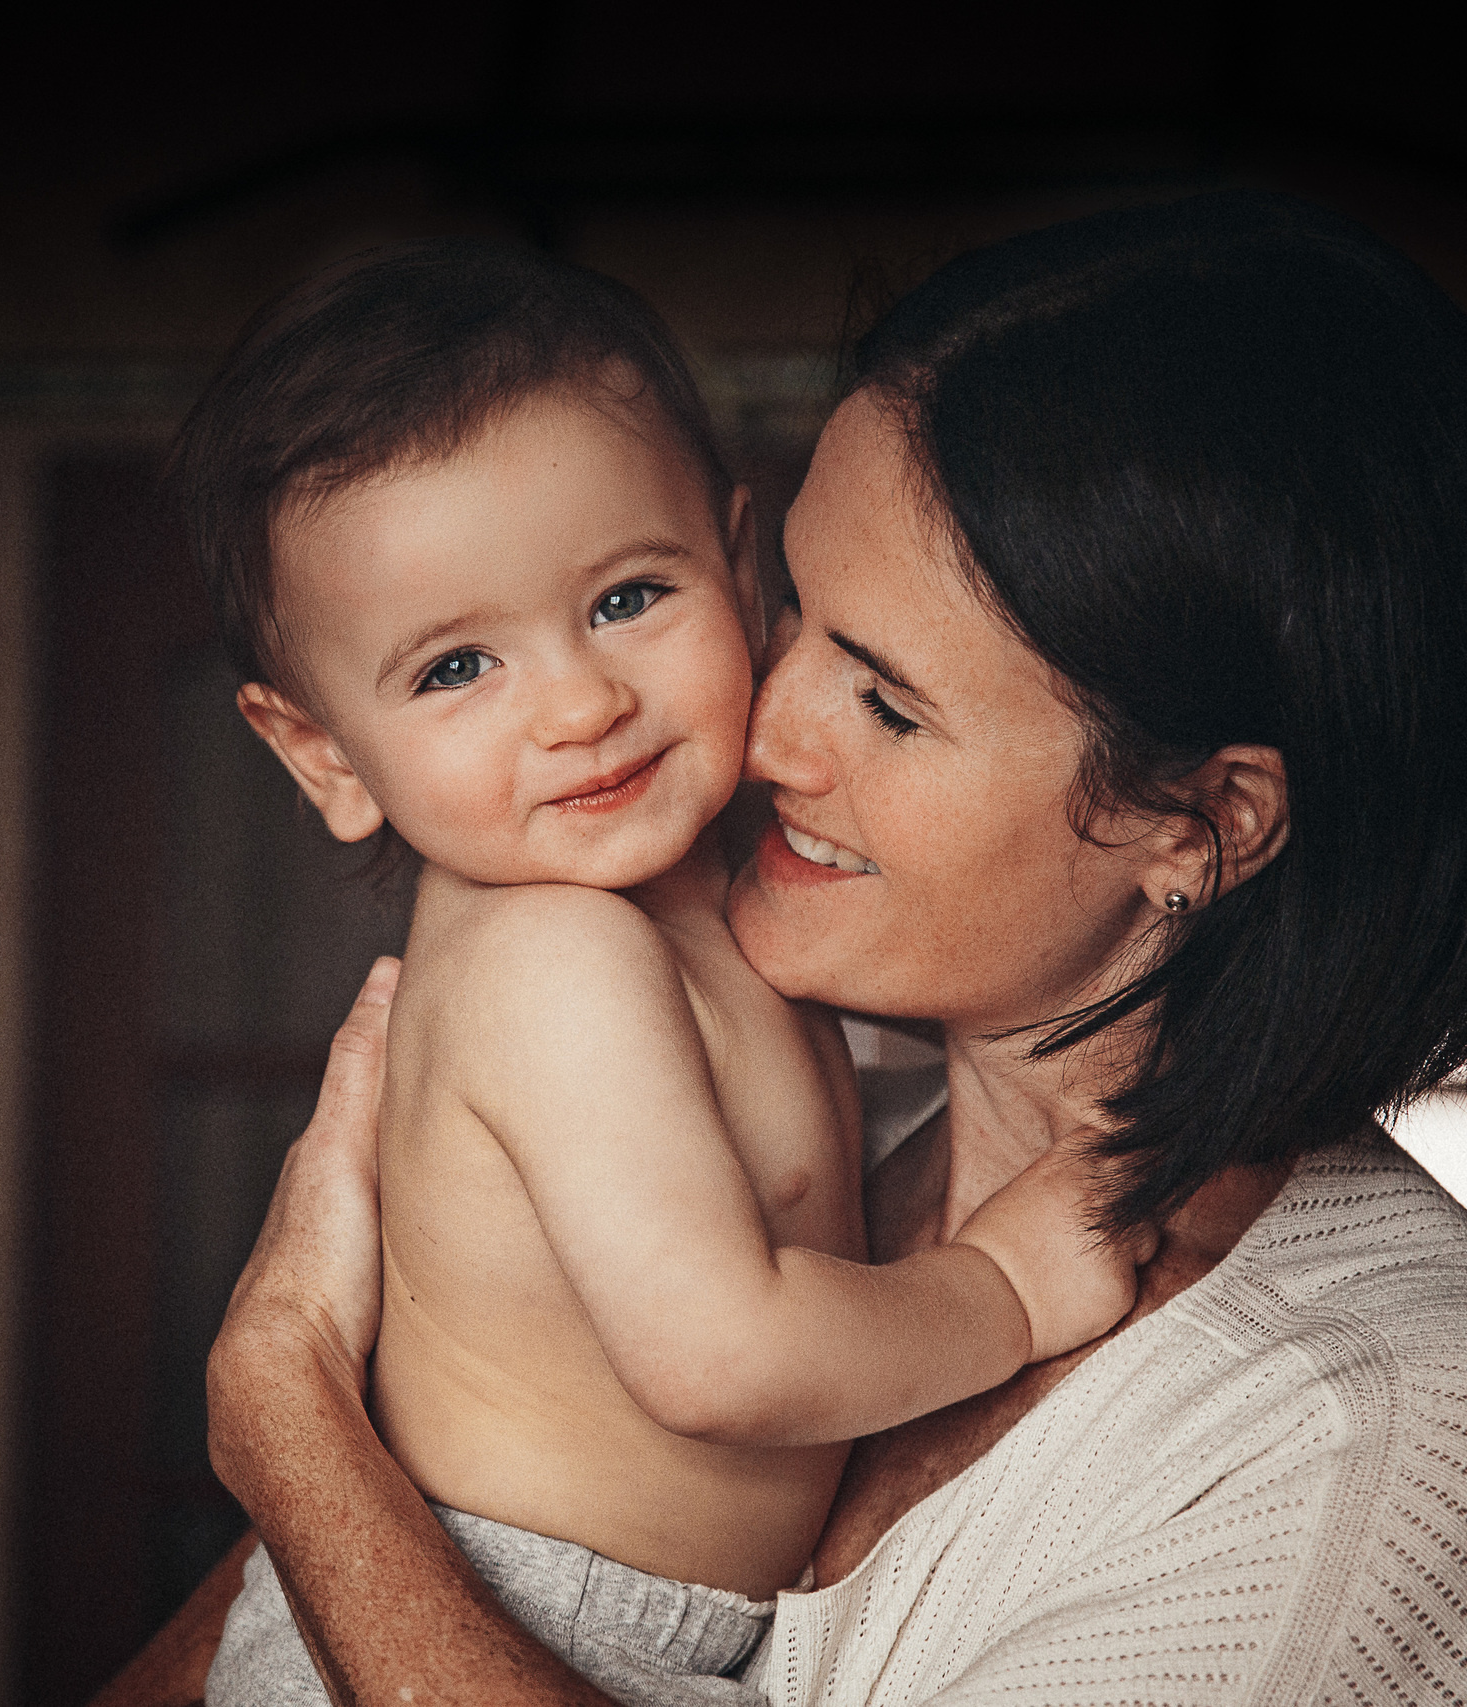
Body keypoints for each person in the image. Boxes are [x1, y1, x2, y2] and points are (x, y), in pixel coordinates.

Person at [119, 191, 1467, 1707]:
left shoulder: (1401, 1421)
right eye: (795, 614)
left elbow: (369, 1538)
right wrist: (314, 1455)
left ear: (1204, 822)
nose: (763, 733)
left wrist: (292, 1422)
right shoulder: (788, 1099)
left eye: (889, 702)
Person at [166, 242, 1148, 1706]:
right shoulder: (552, 958)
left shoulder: (720, 899)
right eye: (455, 668)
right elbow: (718, 1358)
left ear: (741, 570)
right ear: (323, 756)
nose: (580, 704)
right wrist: (999, 1290)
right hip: (489, 1616)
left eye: (627, 598)